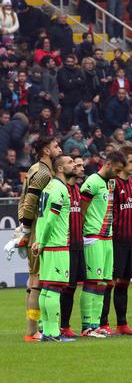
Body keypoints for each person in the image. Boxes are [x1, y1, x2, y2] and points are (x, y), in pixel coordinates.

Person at [77, 151, 126, 338]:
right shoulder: (92, 182)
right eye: (117, 170)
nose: (118, 174)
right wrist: (81, 234)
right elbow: (81, 211)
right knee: (91, 282)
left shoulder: (111, 183)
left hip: (107, 237)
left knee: (103, 283)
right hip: (93, 237)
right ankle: (86, 326)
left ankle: (96, 325)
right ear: (108, 164)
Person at [17, 136, 61, 342]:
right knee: (37, 279)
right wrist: (27, 229)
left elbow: (23, 200)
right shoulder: (42, 173)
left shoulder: (37, 169)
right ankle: (32, 331)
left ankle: (37, 327)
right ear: (46, 150)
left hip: (34, 226)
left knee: (35, 278)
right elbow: (30, 201)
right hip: (37, 227)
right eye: (56, 146)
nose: (59, 149)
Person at [32, 154, 75, 342]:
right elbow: (50, 219)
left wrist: (39, 241)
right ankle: (54, 333)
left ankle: (47, 332)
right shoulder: (60, 188)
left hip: (47, 244)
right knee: (55, 289)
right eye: (70, 163)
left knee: (47, 288)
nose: (74, 165)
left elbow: (40, 217)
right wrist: (42, 241)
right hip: (56, 244)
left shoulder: (48, 187)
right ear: (60, 168)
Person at [97, 146, 132, 336]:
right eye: (131, 161)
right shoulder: (112, 184)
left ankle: (122, 323)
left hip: (129, 239)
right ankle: (103, 322)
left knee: (125, 281)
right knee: (110, 281)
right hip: (114, 240)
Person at [59, 156, 86, 338]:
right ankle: (51, 325)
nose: (81, 168)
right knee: (60, 287)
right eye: (77, 165)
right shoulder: (62, 190)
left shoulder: (77, 189)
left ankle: (65, 326)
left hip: (77, 244)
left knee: (72, 287)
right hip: (64, 246)